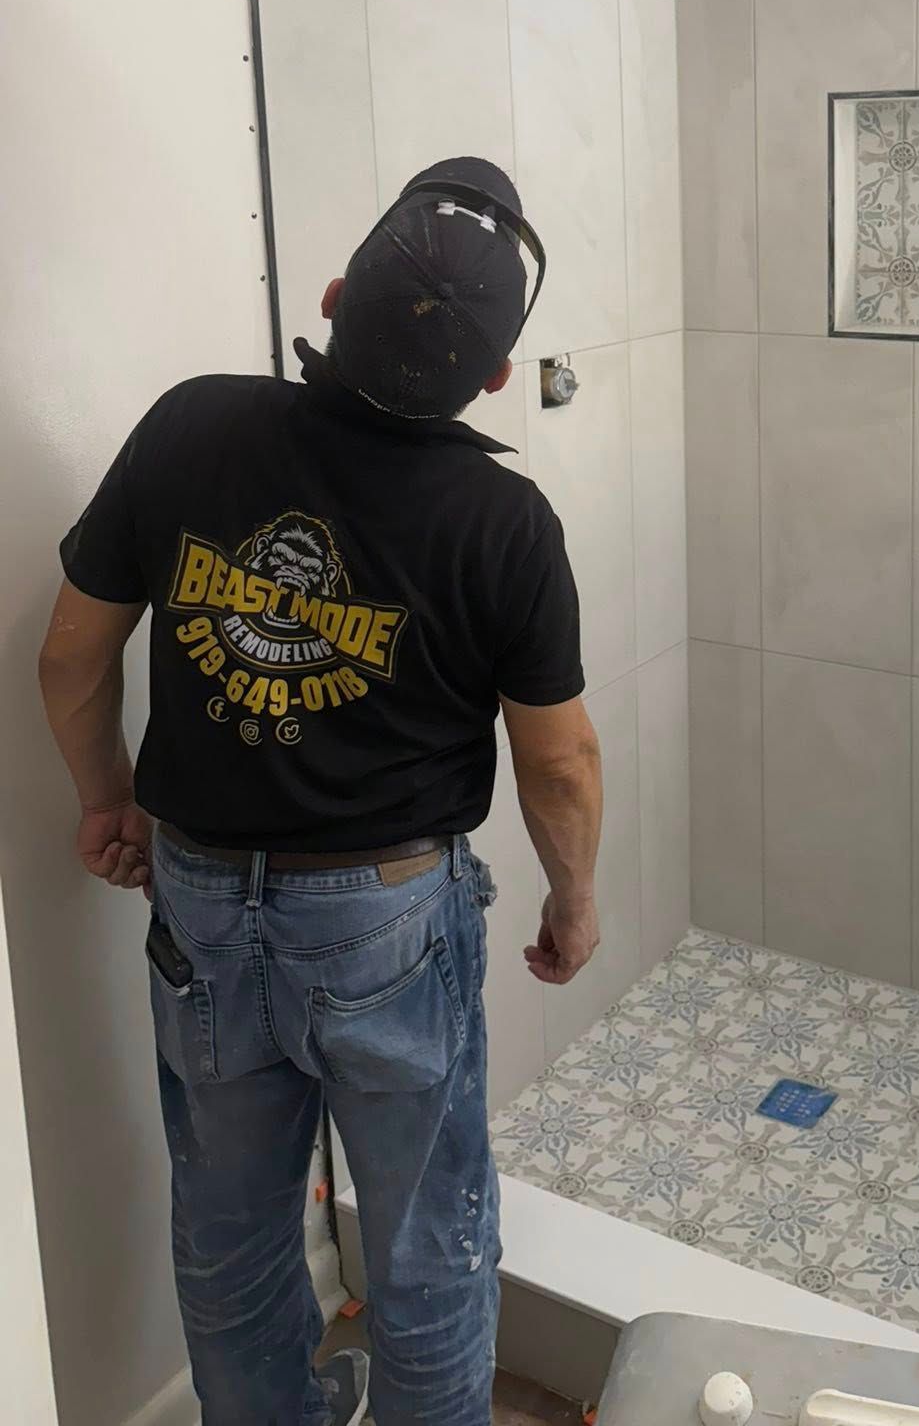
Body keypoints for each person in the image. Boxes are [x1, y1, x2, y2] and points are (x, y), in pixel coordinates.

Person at [37, 156, 603, 1426]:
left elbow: (74, 652)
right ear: (498, 375)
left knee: (232, 1244)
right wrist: (574, 896)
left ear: (340, 295)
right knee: (426, 1255)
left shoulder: (193, 422)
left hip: (198, 904)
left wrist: (105, 797)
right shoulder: (502, 521)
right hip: (386, 925)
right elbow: (557, 758)